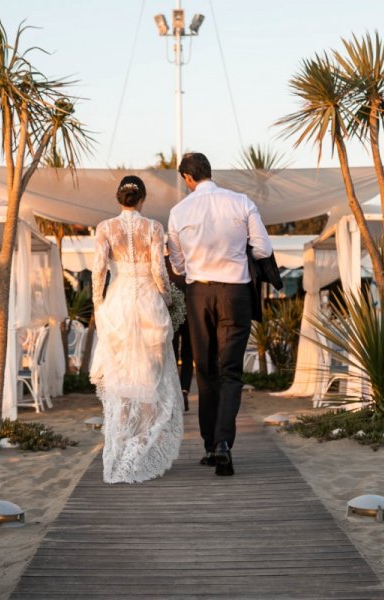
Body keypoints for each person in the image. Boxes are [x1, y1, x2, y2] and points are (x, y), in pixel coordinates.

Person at [167, 153, 273, 477]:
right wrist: (239, 254)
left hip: (199, 293)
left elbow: (177, 264)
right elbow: (263, 249)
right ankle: (225, 442)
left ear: (187, 178)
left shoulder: (179, 211)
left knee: (205, 370)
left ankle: (210, 445)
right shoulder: (241, 202)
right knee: (231, 371)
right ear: (210, 172)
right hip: (235, 293)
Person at [89, 175, 184, 484]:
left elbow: (99, 270)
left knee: (120, 382)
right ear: (142, 199)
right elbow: (159, 269)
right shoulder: (154, 228)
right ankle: (139, 448)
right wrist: (168, 299)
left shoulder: (105, 228)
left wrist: (98, 305)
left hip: (117, 305)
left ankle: (119, 452)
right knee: (152, 381)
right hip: (147, 305)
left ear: (119, 199)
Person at [165, 251, 193, 411]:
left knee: (178, 354)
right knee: (185, 354)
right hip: (183, 313)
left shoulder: (165, 262)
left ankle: (179, 392)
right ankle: (182, 391)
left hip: (177, 313)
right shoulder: (191, 260)